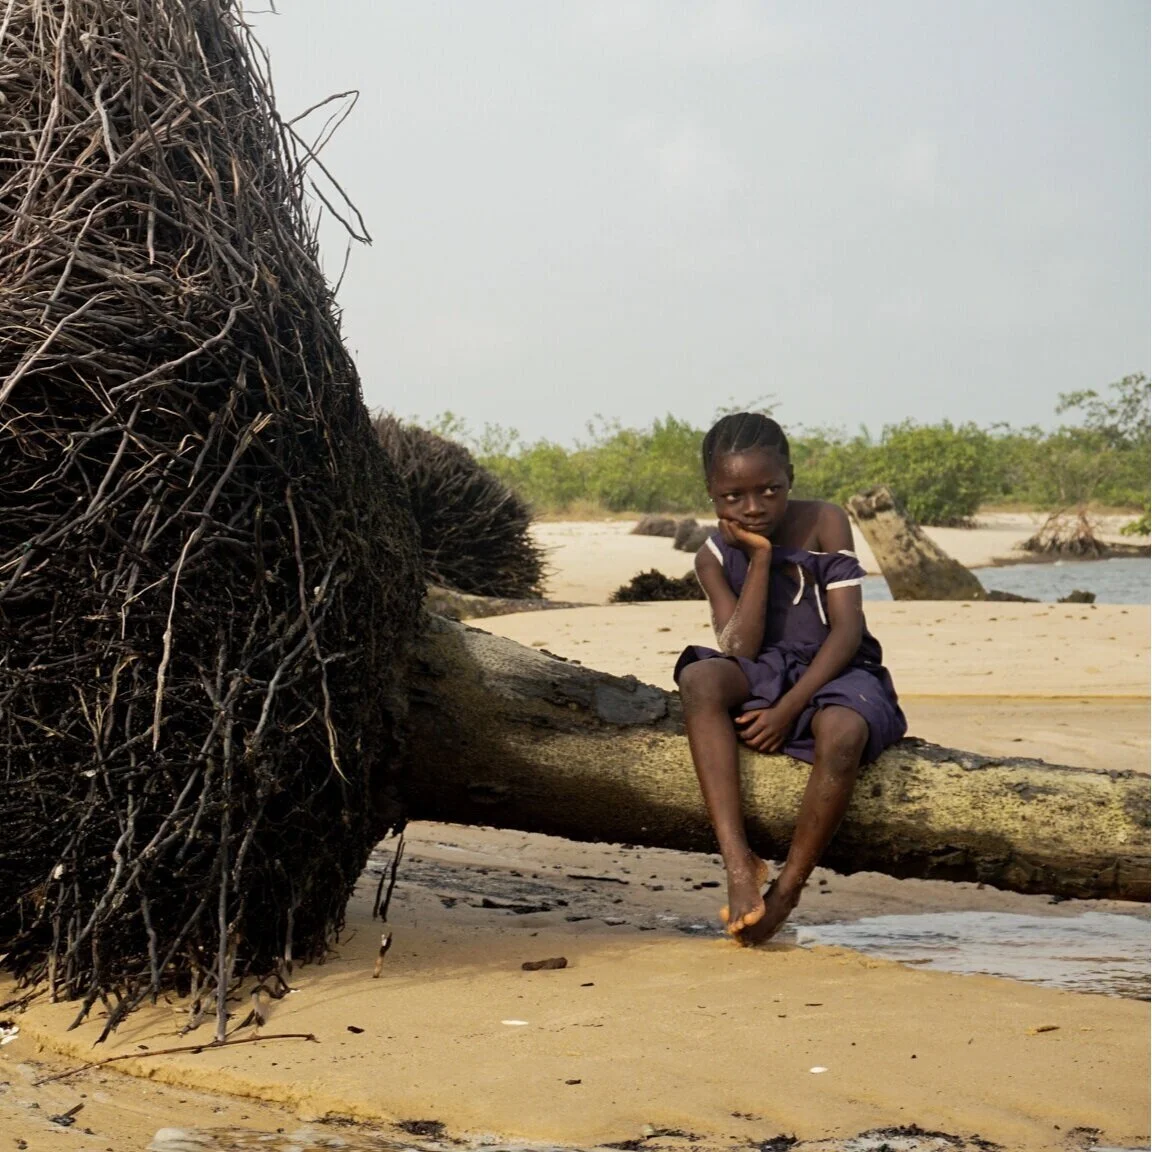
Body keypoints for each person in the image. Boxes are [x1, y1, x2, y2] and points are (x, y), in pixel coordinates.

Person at [674, 412, 906, 945]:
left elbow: (847, 632)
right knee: (703, 680)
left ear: (791, 478)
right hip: (764, 664)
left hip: (837, 665)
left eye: (770, 490)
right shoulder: (711, 556)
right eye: (734, 497)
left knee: (844, 733)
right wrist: (758, 561)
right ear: (712, 493)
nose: (753, 507)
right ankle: (739, 866)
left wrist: (787, 710)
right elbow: (740, 648)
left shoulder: (826, 520)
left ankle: (788, 890)